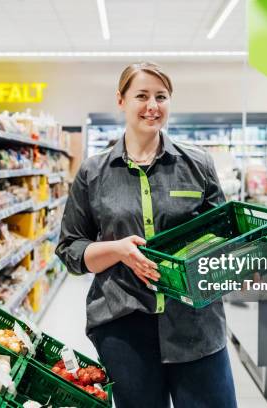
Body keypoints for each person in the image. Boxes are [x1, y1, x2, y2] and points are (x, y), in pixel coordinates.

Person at [56, 62, 237, 408]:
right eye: (142, 95)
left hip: (196, 323)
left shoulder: (197, 164)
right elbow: (70, 249)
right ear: (121, 100)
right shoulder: (94, 173)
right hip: (124, 326)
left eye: (161, 96)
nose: (152, 106)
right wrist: (118, 250)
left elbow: (225, 234)